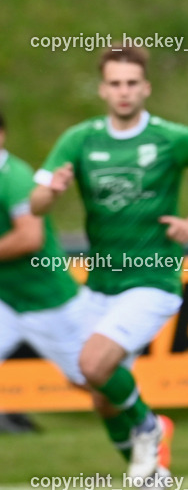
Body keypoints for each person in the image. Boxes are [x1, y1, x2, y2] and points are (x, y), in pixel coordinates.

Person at [30, 45, 188, 490]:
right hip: (102, 285)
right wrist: (54, 192)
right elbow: (36, 202)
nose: (123, 91)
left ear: (145, 87)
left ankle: (150, 427)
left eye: (131, 83)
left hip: (154, 280)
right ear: (103, 88)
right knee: (100, 391)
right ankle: (150, 469)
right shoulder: (79, 139)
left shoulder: (172, 138)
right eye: (115, 83)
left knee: (93, 365)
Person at [0, 111, 92, 424]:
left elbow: (30, 237)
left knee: (92, 381)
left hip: (50, 301)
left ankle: (146, 424)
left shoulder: (15, 178)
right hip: (6, 301)